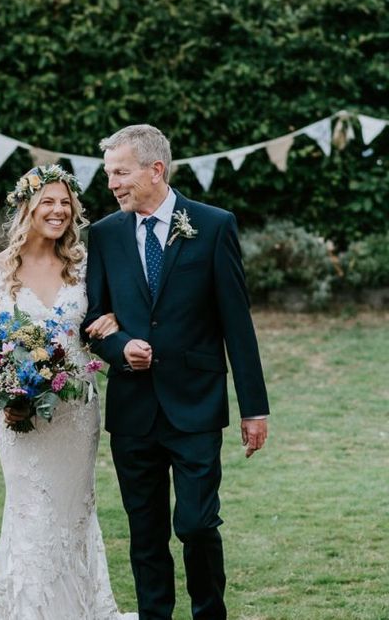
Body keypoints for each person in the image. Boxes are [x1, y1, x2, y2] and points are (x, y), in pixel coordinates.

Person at [82, 124, 270, 620]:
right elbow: (92, 320)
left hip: (196, 405)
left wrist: (255, 408)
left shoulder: (213, 225)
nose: (112, 184)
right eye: (108, 174)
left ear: (155, 170)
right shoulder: (103, 235)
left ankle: (210, 613)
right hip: (133, 411)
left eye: (120, 173)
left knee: (196, 524)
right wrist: (122, 347)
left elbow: (237, 323)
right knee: (145, 533)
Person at [0, 164, 137, 620]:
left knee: (72, 513)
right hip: (19, 416)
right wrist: (10, 396)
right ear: (26, 207)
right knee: (30, 511)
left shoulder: (84, 266)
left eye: (66, 203)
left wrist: (114, 322)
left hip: (75, 413)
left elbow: (113, 313)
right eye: (48, 201)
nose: (59, 210)